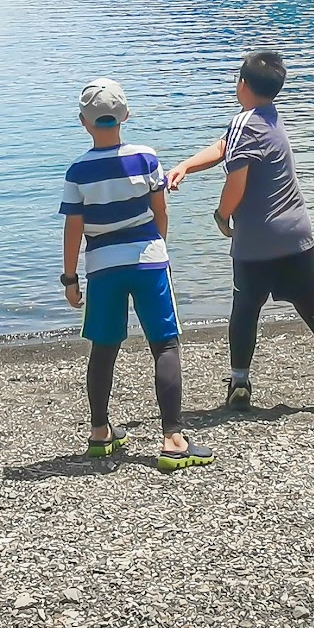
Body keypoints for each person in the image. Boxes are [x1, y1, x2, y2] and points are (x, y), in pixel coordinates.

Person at [167, 50, 314, 419]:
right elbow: (223, 148)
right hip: (297, 236)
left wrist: (221, 216)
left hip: (256, 243)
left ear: (242, 85)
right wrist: (186, 166)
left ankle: (240, 385)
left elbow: (237, 182)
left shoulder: (243, 124)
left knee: (245, 312)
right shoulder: (267, 118)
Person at [59, 78, 213, 472]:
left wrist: (70, 277)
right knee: (164, 345)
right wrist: (157, 246)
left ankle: (99, 432)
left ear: (83, 122)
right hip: (148, 260)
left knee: (104, 348)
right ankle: (173, 438)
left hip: (103, 268)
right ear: (126, 116)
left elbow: (73, 229)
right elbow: (160, 211)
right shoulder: (146, 158)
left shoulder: (77, 172)